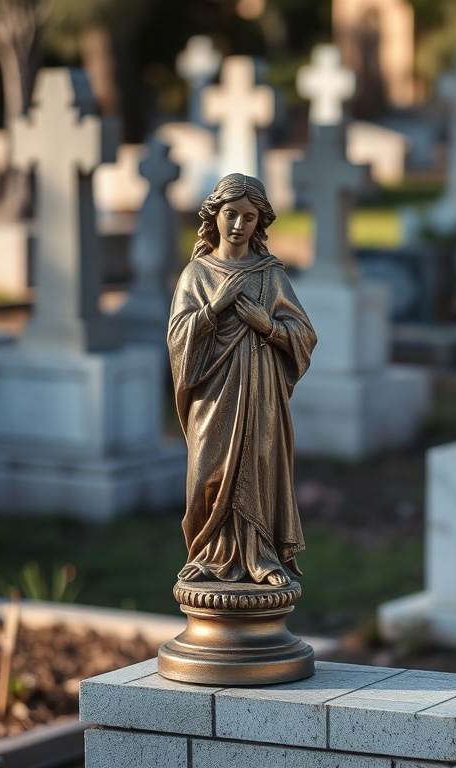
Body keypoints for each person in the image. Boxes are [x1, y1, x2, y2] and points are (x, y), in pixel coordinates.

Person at [167, 174, 316, 588]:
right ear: (214, 216)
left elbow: (304, 334)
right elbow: (178, 338)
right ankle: (207, 553)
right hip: (213, 398)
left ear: (259, 223)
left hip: (261, 395)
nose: (238, 225)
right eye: (231, 214)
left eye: (249, 218)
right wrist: (213, 310)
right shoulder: (196, 275)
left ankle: (262, 555)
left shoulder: (270, 275)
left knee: (260, 466)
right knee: (209, 474)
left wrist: (266, 325)